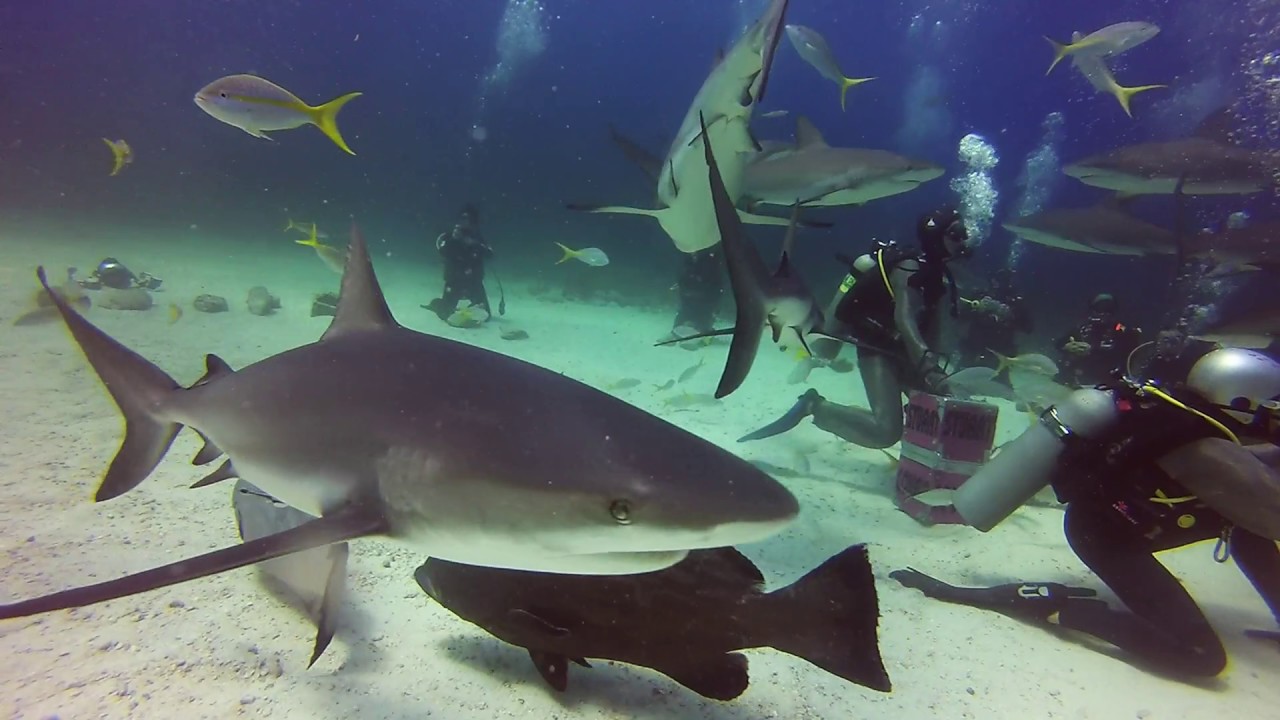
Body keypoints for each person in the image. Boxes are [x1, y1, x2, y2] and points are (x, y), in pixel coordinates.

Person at [894, 346, 1280, 678]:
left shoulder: (1197, 427)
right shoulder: (1204, 451)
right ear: (1244, 405)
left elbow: (1247, 468)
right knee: (1201, 658)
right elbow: (1265, 506)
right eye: (1274, 408)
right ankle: (1064, 608)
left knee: (1247, 530)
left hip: (1146, 518)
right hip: (1107, 535)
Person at [739, 206, 970, 449]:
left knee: (941, 403)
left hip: (905, 350)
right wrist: (929, 368)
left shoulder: (937, 275)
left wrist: (932, 372)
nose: (963, 241)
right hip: (877, 346)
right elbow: (905, 319)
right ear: (936, 237)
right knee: (886, 432)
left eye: (963, 234)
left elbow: (933, 326)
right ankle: (814, 406)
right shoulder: (909, 268)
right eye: (956, 235)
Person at [1054, 293, 1144, 387]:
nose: (1102, 313)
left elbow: (1128, 352)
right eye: (1099, 308)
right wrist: (1067, 346)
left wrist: (1091, 351)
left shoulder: (1121, 331)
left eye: (1107, 309)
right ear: (1092, 310)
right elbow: (1058, 343)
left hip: (1106, 381)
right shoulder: (1082, 328)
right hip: (1077, 378)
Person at [424, 203, 493, 326]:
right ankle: (437, 304)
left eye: (470, 221)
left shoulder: (478, 239)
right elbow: (442, 251)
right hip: (454, 282)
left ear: (475, 223)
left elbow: (490, 254)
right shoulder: (450, 237)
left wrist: (473, 243)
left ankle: (467, 308)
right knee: (445, 314)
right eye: (463, 219)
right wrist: (453, 240)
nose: (466, 223)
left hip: (474, 282)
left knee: (486, 316)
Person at [957, 267, 1034, 372]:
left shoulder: (1016, 302)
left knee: (998, 385)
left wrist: (1010, 314)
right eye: (998, 280)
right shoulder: (980, 295)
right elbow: (960, 316)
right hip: (974, 350)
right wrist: (975, 309)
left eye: (1004, 280)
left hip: (1000, 356)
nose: (999, 284)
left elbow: (1028, 328)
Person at [665, 247, 725, 347]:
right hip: (691, 290)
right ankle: (675, 333)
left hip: (707, 292)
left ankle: (701, 335)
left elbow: (715, 278)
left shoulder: (711, 258)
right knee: (684, 310)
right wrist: (681, 284)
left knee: (705, 313)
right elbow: (685, 271)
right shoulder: (689, 257)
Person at [76, 257, 162, 291]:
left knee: (96, 282)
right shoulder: (122, 269)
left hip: (114, 281)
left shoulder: (101, 269)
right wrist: (138, 281)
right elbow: (130, 274)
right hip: (121, 281)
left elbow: (95, 275)